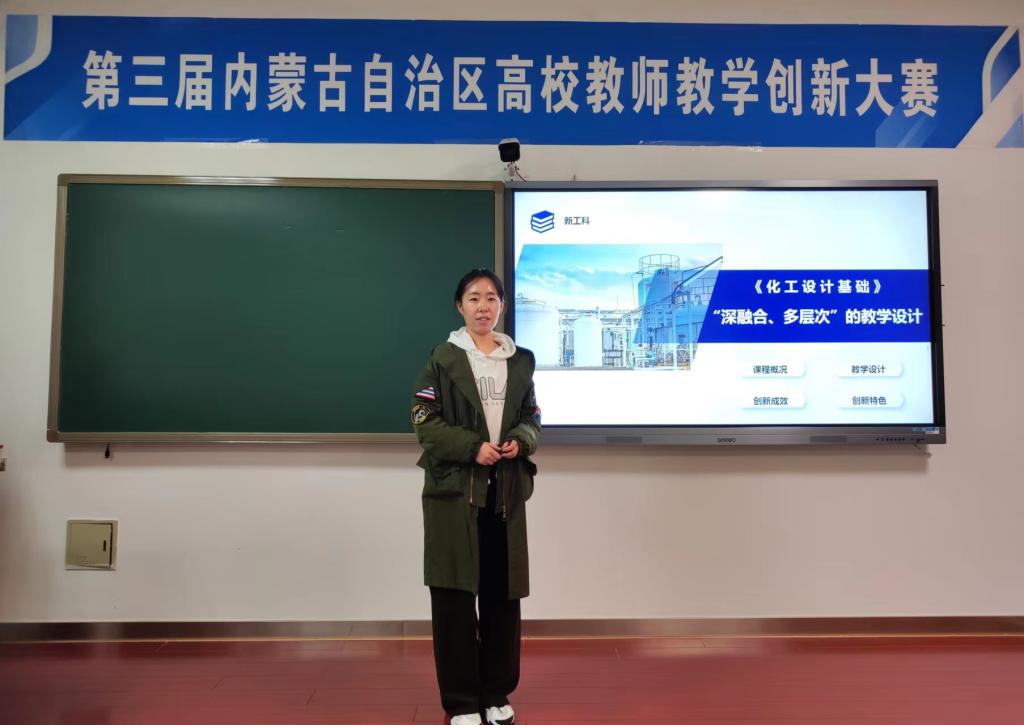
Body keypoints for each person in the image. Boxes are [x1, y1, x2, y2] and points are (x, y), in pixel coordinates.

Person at [411, 268, 540, 725]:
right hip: (455, 495)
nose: (483, 306)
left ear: (502, 305)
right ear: (459, 306)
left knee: (503, 597)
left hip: (504, 495)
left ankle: (496, 693)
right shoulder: (443, 359)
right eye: (473, 298)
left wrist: (521, 440)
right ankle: (462, 701)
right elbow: (424, 421)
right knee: (454, 600)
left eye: (491, 298)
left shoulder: (519, 361)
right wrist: (472, 447)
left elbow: (532, 416)